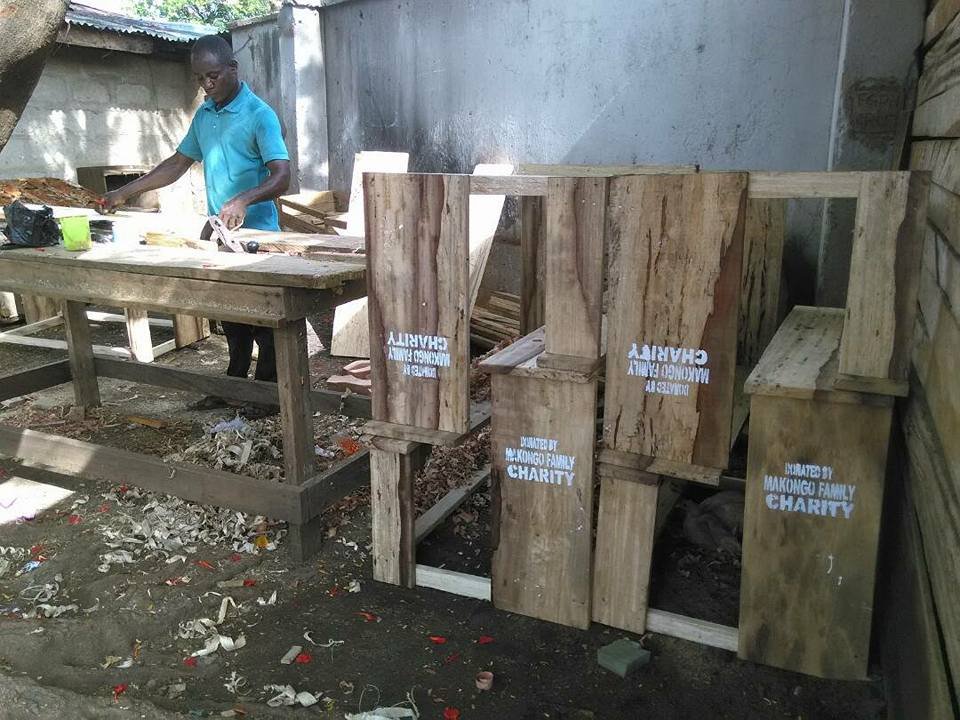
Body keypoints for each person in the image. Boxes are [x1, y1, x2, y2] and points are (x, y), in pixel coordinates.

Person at [101, 35, 291, 416]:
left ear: (233, 70)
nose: (207, 84)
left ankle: (268, 396)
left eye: (214, 75)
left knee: (266, 321)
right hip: (220, 235)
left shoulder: (259, 114)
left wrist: (243, 199)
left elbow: (282, 176)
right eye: (200, 77)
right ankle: (231, 385)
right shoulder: (205, 115)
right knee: (232, 319)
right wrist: (126, 191)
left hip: (258, 238)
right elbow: (177, 163)